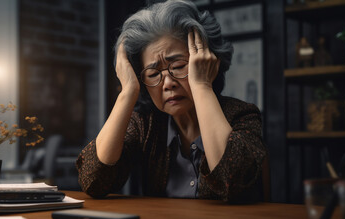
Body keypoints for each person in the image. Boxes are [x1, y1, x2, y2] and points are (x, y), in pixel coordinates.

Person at [76, 0, 267, 202]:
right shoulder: (145, 125)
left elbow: (232, 180)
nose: (167, 83)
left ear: (209, 63)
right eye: (152, 73)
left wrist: (202, 85)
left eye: (178, 66)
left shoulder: (242, 115)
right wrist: (127, 91)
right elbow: (93, 181)